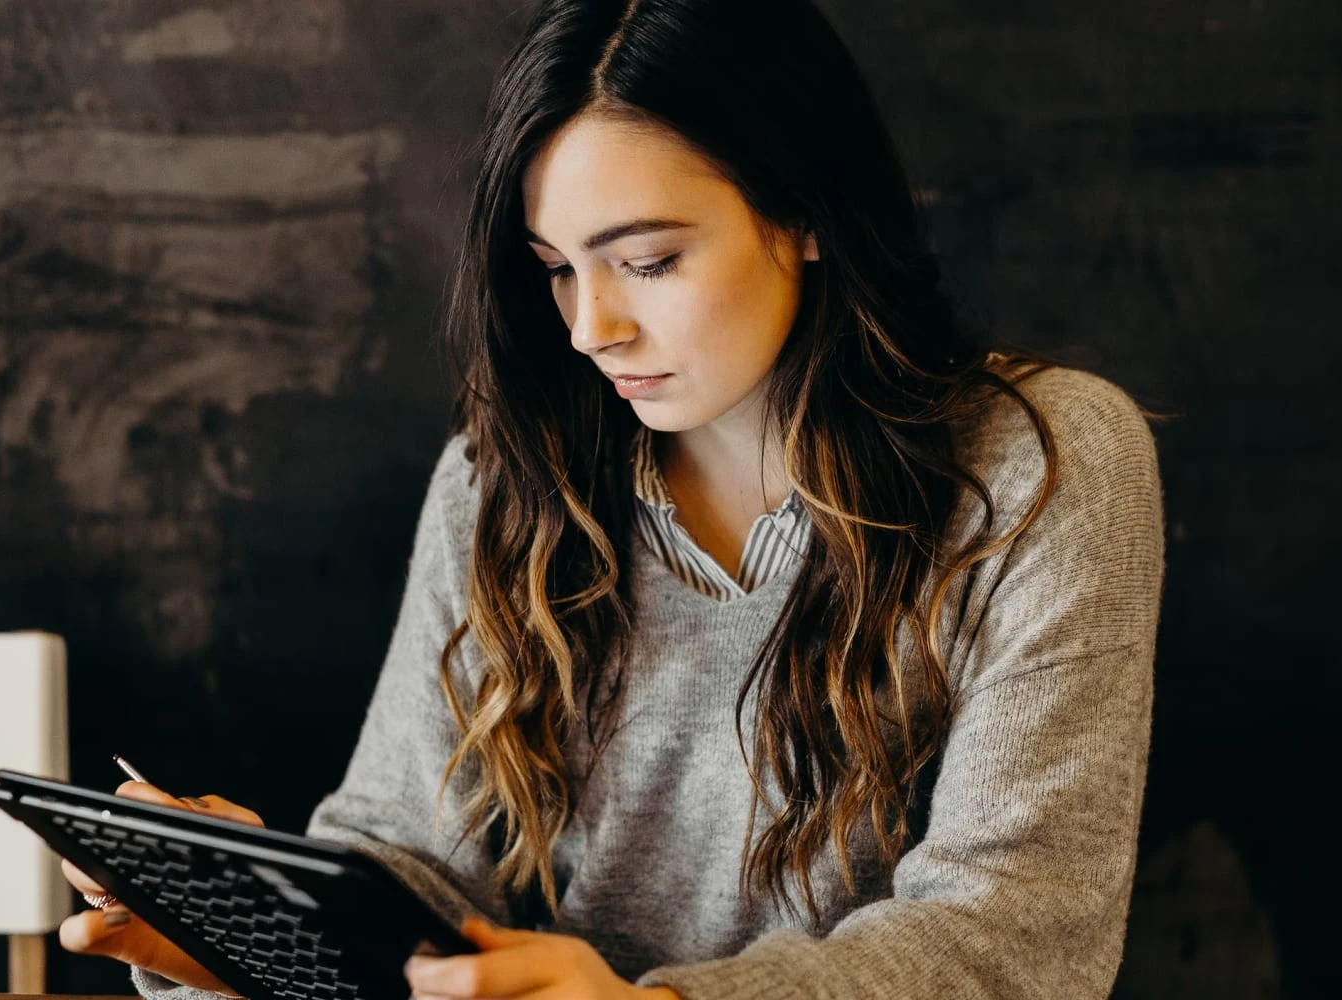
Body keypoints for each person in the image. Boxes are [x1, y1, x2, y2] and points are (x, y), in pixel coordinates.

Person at [61, 1, 1164, 997]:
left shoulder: (1039, 463)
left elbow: (1022, 935)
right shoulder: (500, 481)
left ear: (806, 215)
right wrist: (247, 926)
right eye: (554, 269)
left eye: (644, 261)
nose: (591, 329)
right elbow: (420, 869)